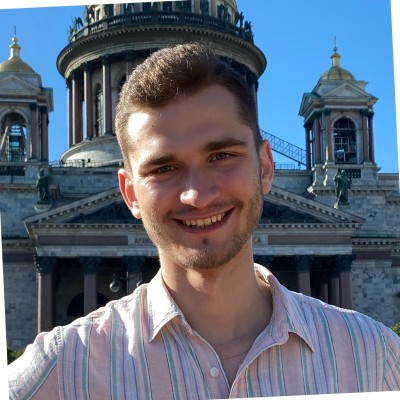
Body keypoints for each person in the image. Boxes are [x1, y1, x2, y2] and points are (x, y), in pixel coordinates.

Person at [8, 43, 400, 399]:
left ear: (265, 166)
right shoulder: (62, 368)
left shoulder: (374, 359)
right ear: (130, 193)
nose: (197, 195)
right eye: (164, 168)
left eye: (222, 156)